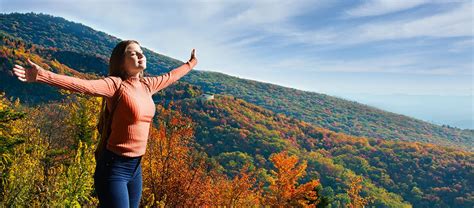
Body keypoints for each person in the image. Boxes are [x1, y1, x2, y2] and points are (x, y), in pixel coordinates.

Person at [11, 40, 198, 208]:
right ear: (121, 62)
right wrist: (42, 75)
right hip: (114, 168)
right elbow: (84, 86)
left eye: (141, 52)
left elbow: (171, 76)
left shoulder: (148, 85)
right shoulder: (115, 85)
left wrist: (191, 64)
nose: (140, 55)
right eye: (133, 53)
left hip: (135, 169)